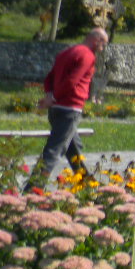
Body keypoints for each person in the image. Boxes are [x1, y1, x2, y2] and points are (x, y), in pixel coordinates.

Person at [24, 28, 109, 192]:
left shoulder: (66, 52)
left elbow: (49, 78)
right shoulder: (87, 56)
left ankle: (86, 185)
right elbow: (72, 82)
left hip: (56, 110)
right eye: (103, 44)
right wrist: (53, 98)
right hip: (70, 108)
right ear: (96, 40)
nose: (103, 48)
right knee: (54, 151)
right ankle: (32, 190)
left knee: (73, 148)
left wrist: (50, 96)